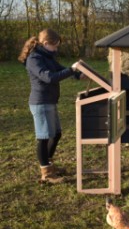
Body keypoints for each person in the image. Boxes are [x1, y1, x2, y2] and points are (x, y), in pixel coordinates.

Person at [18, 29, 82, 183]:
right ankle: (46, 173)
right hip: (40, 103)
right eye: (55, 46)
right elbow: (49, 78)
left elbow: (60, 69)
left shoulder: (47, 56)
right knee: (44, 137)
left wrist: (78, 74)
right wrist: (72, 69)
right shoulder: (34, 58)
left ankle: (49, 165)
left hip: (50, 101)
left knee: (56, 134)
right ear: (46, 43)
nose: (56, 49)